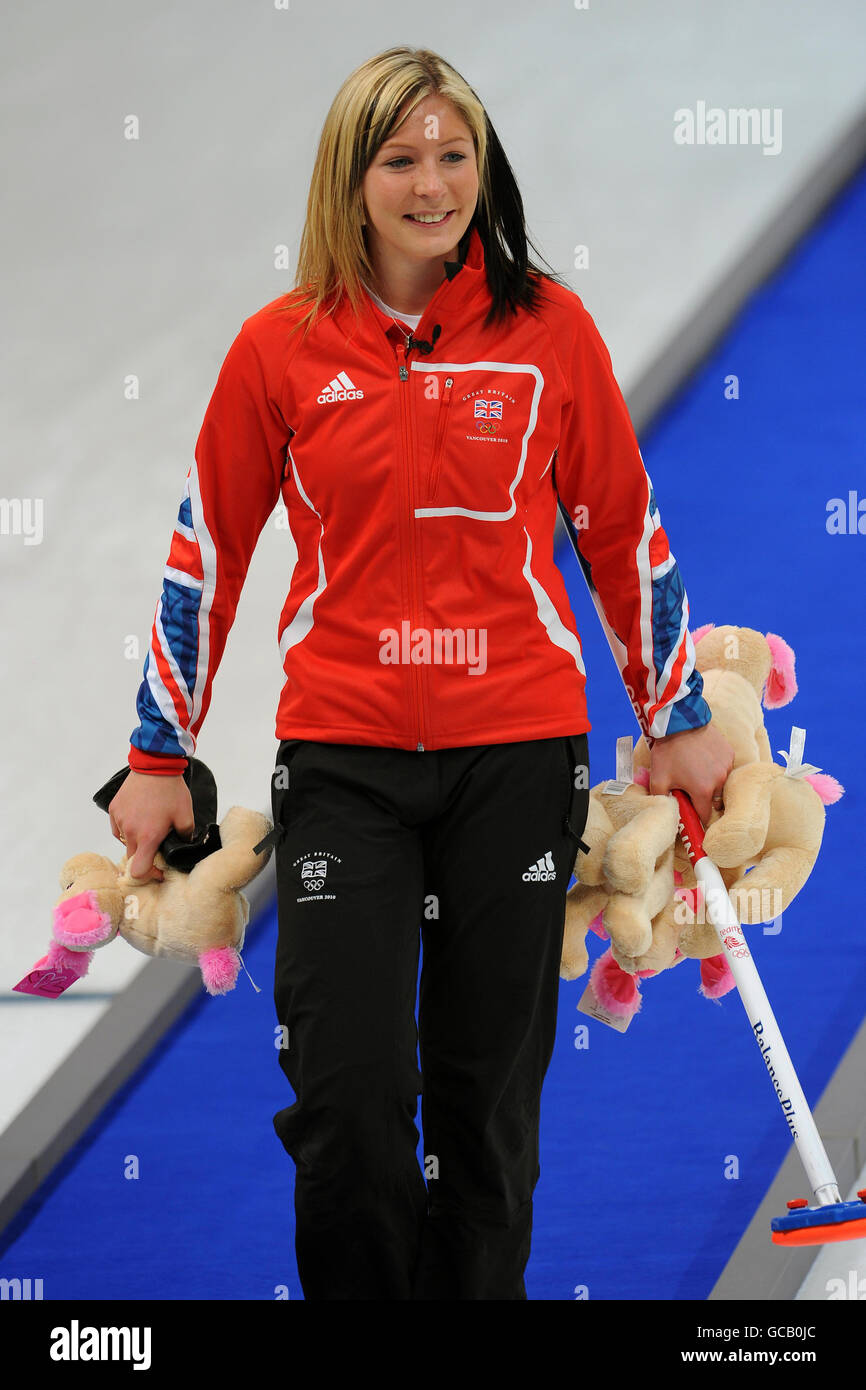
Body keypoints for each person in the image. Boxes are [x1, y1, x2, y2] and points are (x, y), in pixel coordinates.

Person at [108, 46, 735, 1299]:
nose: (433, 183)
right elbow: (209, 549)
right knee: (345, 1097)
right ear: (351, 181)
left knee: (482, 1116)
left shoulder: (547, 331)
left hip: (515, 755)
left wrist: (675, 715)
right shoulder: (276, 351)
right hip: (343, 764)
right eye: (401, 158)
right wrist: (155, 754)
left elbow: (620, 522)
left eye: (455, 155)